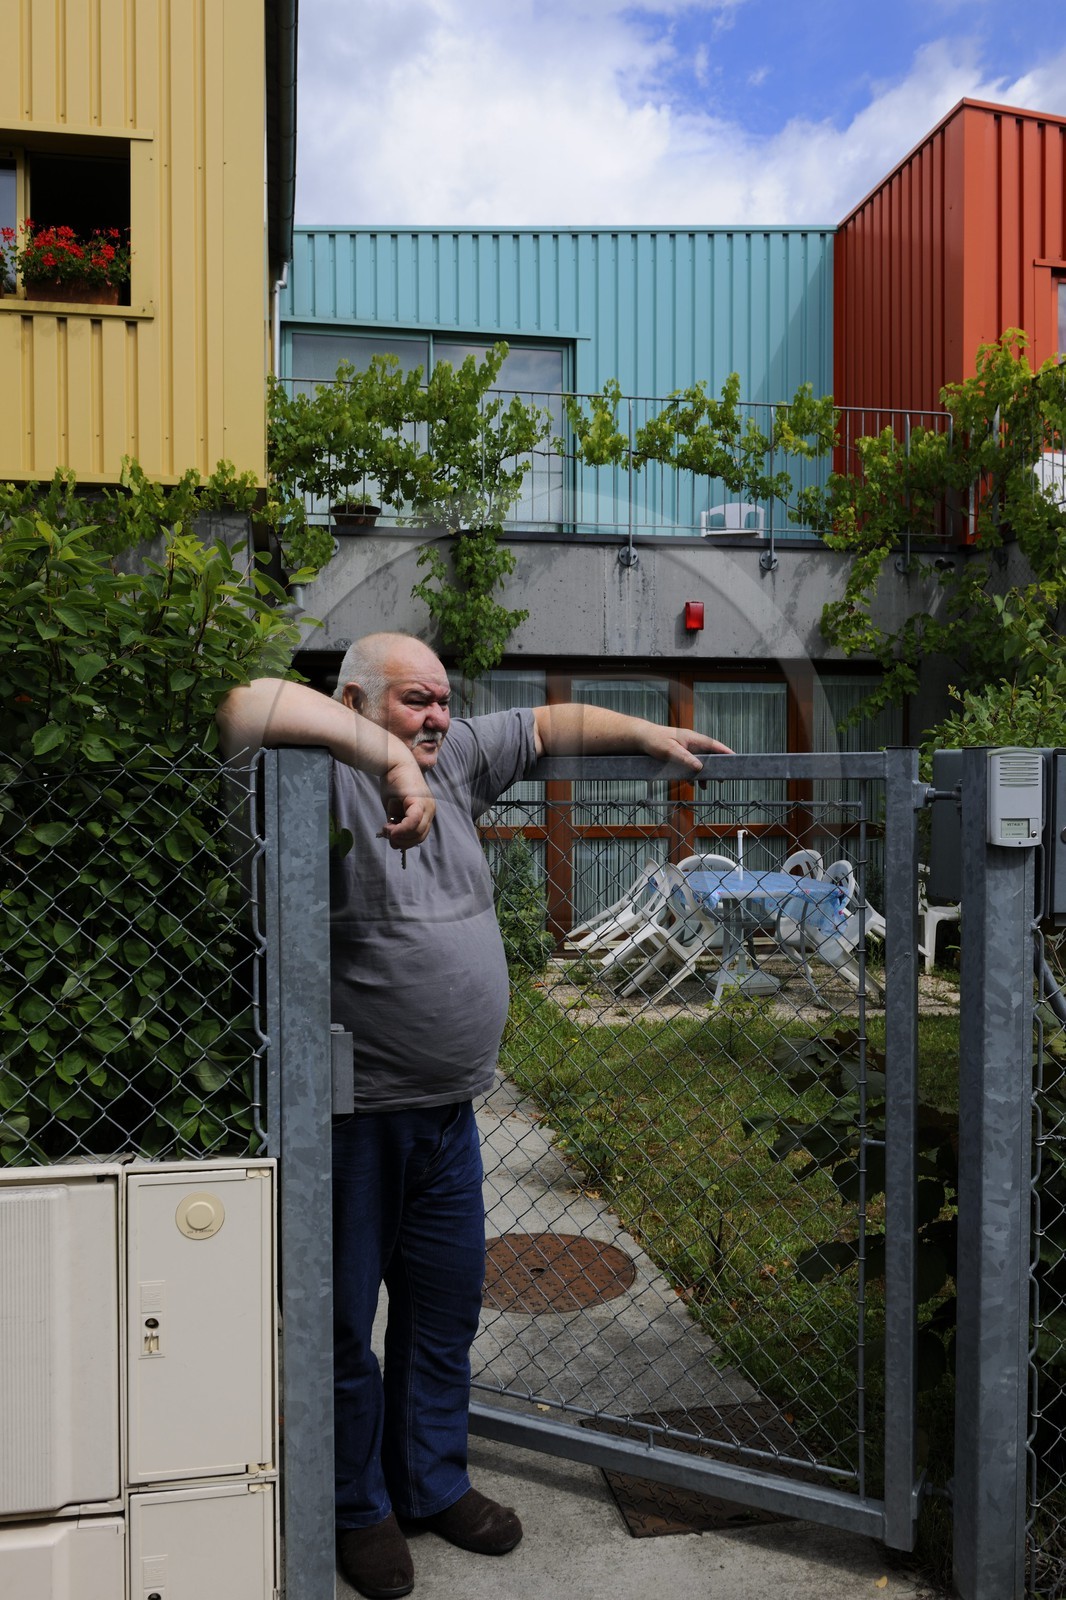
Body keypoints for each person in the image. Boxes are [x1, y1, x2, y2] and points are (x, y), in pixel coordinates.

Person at [218, 633, 729, 1599]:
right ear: (359, 701)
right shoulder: (304, 772)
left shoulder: (450, 760)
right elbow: (244, 700)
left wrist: (649, 734)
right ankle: (354, 1507)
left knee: (443, 1314)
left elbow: (543, 725)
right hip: (348, 1118)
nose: (439, 720)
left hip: (448, 1116)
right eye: (417, 701)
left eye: (445, 702)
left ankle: (430, 1482)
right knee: (336, 1329)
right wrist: (380, 759)